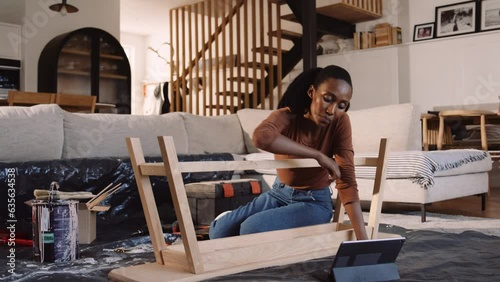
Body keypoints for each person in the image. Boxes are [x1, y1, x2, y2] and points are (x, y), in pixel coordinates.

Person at [209, 65, 368, 241]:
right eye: (327, 99)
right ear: (312, 92)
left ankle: (255, 223)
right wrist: (318, 156)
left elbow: (347, 181)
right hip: (278, 193)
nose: (331, 111)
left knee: (251, 229)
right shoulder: (288, 115)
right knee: (218, 231)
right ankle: (245, 220)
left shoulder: (340, 122)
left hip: (313, 202)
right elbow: (262, 138)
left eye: (342, 105)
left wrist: (363, 241)